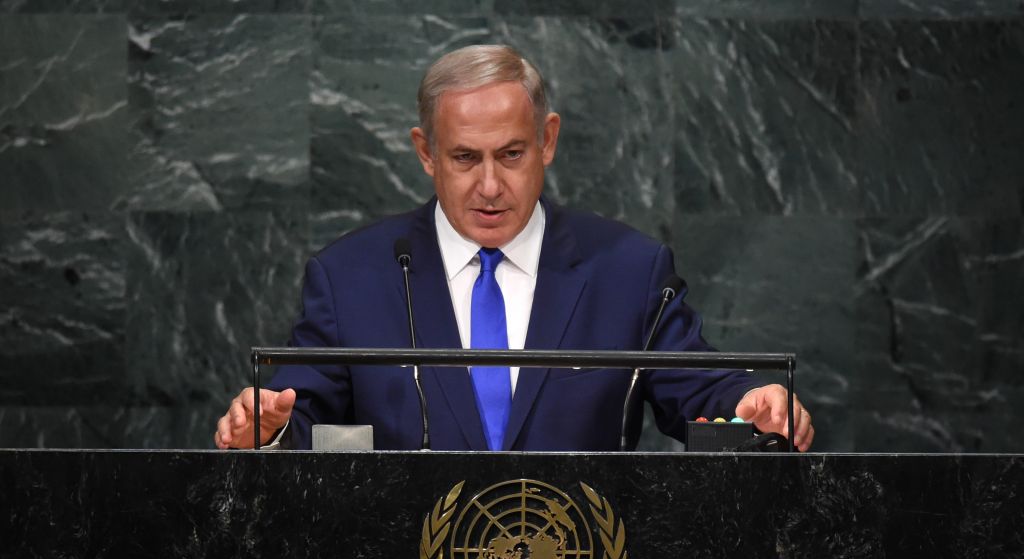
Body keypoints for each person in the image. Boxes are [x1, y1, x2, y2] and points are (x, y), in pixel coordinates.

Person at [215, 44, 814, 452]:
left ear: (547, 140)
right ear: (426, 153)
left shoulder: (627, 271)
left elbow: (700, 393)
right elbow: (297, 413)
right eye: (464, 158)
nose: (491, 186)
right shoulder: (352, 277)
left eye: (511, 154)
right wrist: (262, 431)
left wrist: (753, 405)